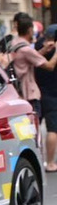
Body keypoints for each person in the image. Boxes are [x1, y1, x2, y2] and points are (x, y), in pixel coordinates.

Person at [37, 33, 57, 171]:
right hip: (52, 95)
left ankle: (38, 160)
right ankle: (50, 162)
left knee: (35, 128)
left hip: (37, 93)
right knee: (52, 129)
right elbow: (50, 66)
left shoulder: (40, 48)